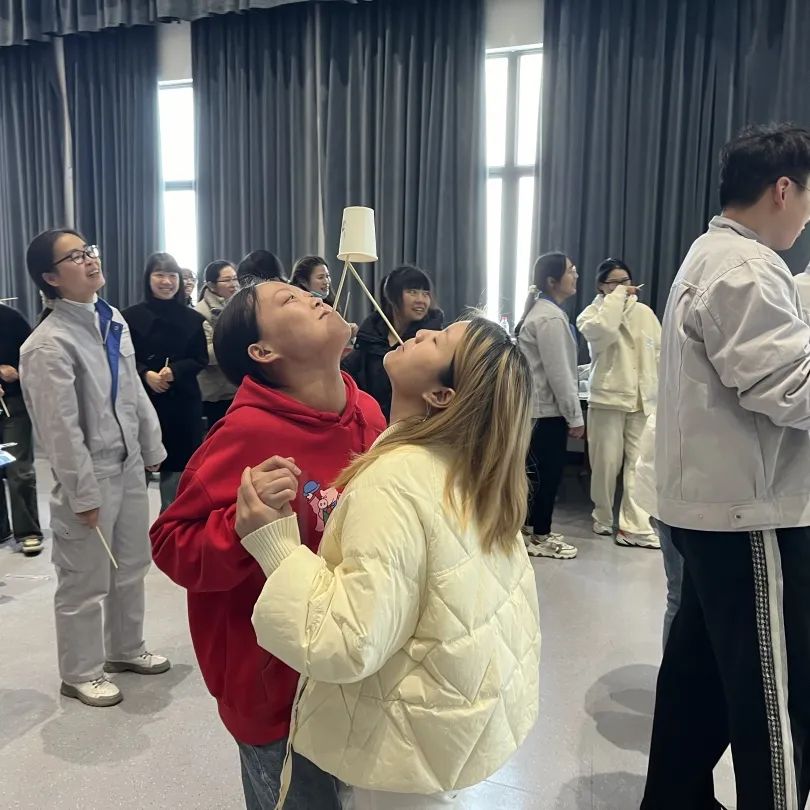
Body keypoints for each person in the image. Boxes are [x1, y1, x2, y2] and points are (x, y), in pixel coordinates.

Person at [237, 316, 540, 809]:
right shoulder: (467, 468)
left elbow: (346, 639)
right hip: (448, 717)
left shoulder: (398, 477)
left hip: (406, 733)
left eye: (438, 341)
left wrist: (275, 543)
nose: (421, 333)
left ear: (441, 395)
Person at [149, 281, 386, 810]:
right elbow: (169, 543)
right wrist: (239, 526)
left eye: (306, 292)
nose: (314, 298)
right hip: (275, 688)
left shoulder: (368, 411)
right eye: (289, 301)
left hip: (348, 666)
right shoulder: (246, 434)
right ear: (262, 351)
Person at [641, 124, 810, 810]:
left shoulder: (718, 255)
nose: (807, 217)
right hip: (750, 513)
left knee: (699, 682)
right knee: (775, 702)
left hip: (718, 507)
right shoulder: (744, 268)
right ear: (783, 189)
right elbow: (789, 385)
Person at [19, 229, 170, 708]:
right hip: (91, 472)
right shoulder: (46, 345)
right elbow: (59, 431)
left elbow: (133, 391)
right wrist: (82, 493)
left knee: (131, 564)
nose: (89, 261)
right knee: (84, 578)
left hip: (127, 466)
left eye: (89, 251)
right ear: (51, 278)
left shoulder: (112, 319)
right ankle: (81, 673)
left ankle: (125, 648)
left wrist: (151, 445)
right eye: (75, 257)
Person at [576, 259, 661, 548]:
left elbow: (659, 352)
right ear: (601, 286)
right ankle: (602, 515)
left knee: (640, 465)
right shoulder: (591, 315)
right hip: (608, 399)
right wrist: (616, 297)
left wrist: (658, 393)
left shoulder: (645, 313)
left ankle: (633, 527)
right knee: (605, 464)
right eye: (614, 282)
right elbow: (605, 331)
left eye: (626, 281)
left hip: (642, 401)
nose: (623, 287)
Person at [123, 253, 207, 513]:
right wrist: (145, 374)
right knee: (139, 471)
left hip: (183, 405)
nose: (166, 281)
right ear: (148, 279)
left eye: (172, 276)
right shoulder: (129, 317)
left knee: (177, 474)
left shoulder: (193, 319)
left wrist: (175, 371)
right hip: (144, 404)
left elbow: (200, 358)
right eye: (159, 275)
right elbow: (124, 358)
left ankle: (169, 525)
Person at [516, 252, 583, 560]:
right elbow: (560, 374)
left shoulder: (544, 312)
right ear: (552, 281)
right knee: (546, 477)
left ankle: (531, 530)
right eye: (570, 271)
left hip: (536, 411)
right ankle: (539, 536)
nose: (575, 275)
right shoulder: (550, 318)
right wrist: (575, 416)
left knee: (535, 475)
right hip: (546, 412)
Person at [342, 264, 443, 420]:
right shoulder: (371, 334)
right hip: (368, 420)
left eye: (426, 294)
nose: (421, 300)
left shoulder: (431, 340)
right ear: (392, 296)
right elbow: (346, 373)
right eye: (412, 292)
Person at [633, 410, 681, 650]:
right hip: (679, 502)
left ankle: (677, 671)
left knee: (679, 597)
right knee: (681, 597)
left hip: (671, 497)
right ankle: (677, 673)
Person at [0, 303, 43, 556]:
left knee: (18, 468)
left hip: (13, 405)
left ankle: (28, 531)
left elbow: (34, 357)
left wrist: (14, 372)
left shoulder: (11, 318)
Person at [196, 260, 240, 430]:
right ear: (211, 285)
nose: (233, 284)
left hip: (237, 388)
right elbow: (205, 355)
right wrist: (234, 339)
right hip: (215, 394)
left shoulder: (239, 305)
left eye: (235, 278)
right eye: (227, 280)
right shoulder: (200, 312)